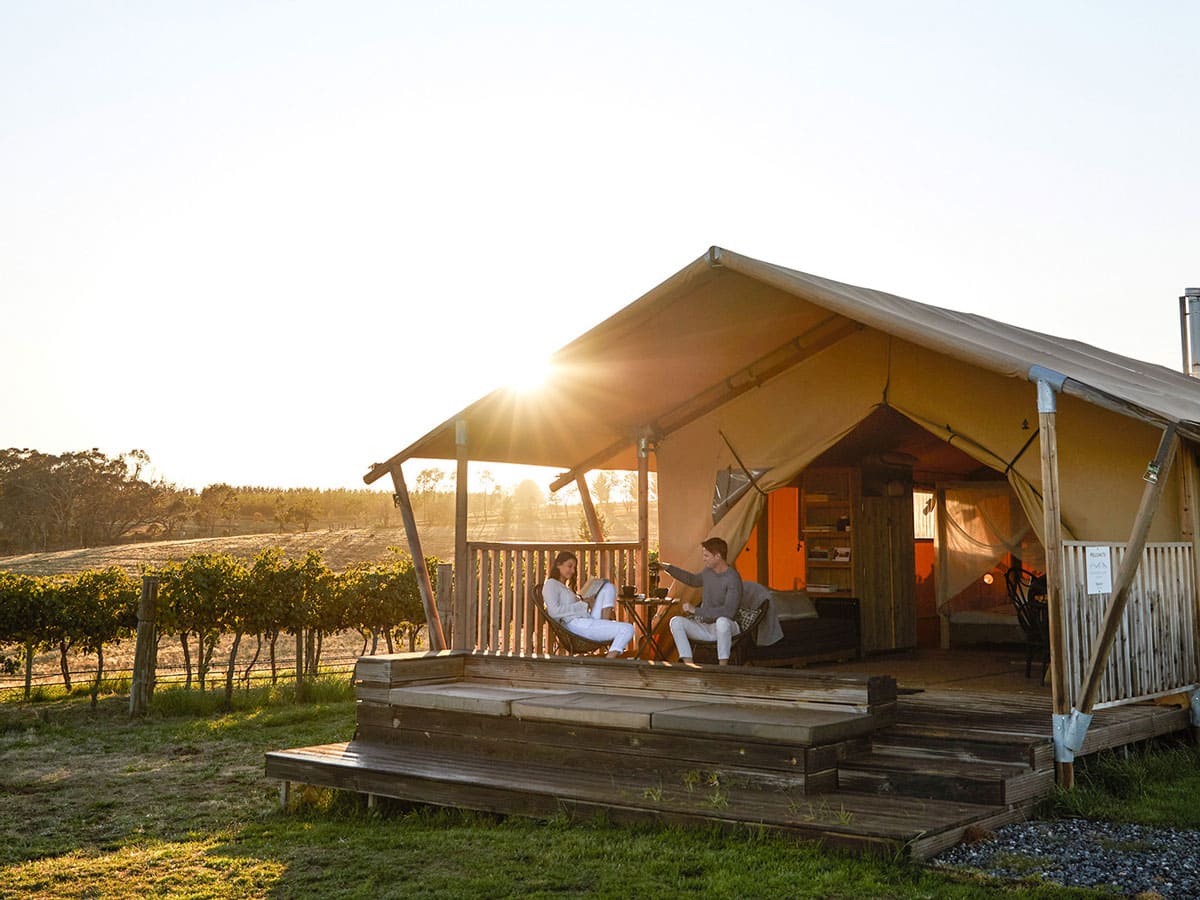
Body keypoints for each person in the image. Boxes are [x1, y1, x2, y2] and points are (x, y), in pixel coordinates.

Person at [661, 537, 743, 665]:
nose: (703, 559)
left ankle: (723, 667)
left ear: (717, 556)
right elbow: (692, 580)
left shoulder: (733, 578)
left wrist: (696, 610)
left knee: (722, 622)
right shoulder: (708, 572)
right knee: (676, 622)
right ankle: (689, 665)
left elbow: (729, 611)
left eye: (706, 555)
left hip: (728, 628)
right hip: (707, 627)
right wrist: (667, 568)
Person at [542, 550, 634, 658]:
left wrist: (584, 601)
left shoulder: (565, 587)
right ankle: (608, 660)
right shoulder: (551, 584)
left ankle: (603, 624)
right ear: (558, 565)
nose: (572, 571)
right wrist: (583, 604)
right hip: (575, 625)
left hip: (585, 619)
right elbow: (553, 612)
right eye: (569, 566)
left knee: (608, 586)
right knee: (627, 629)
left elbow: (575, 607)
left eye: (574, 568)